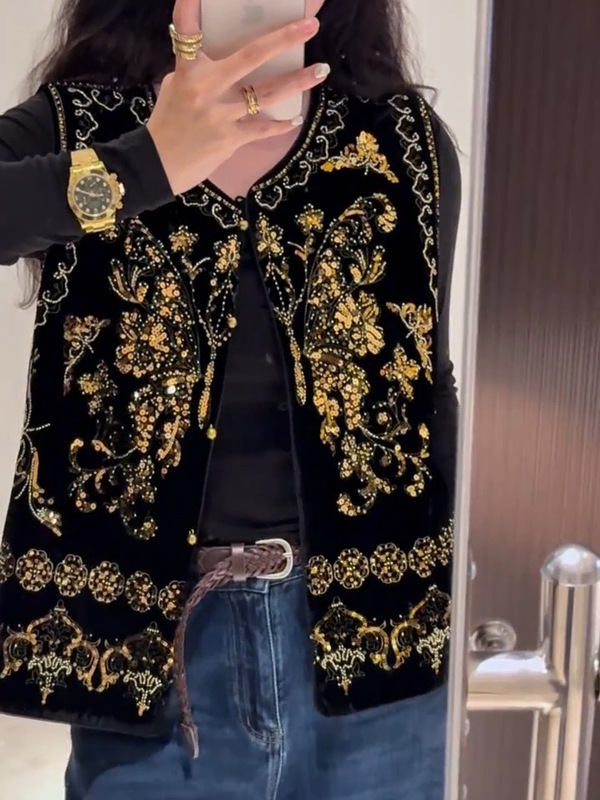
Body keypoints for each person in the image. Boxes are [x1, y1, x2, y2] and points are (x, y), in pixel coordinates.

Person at [0, 0, 460, 797]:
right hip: (154, 669)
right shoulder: (85, 125)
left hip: (382, 661)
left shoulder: (402, 140)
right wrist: (147, 164)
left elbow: (429, 393)